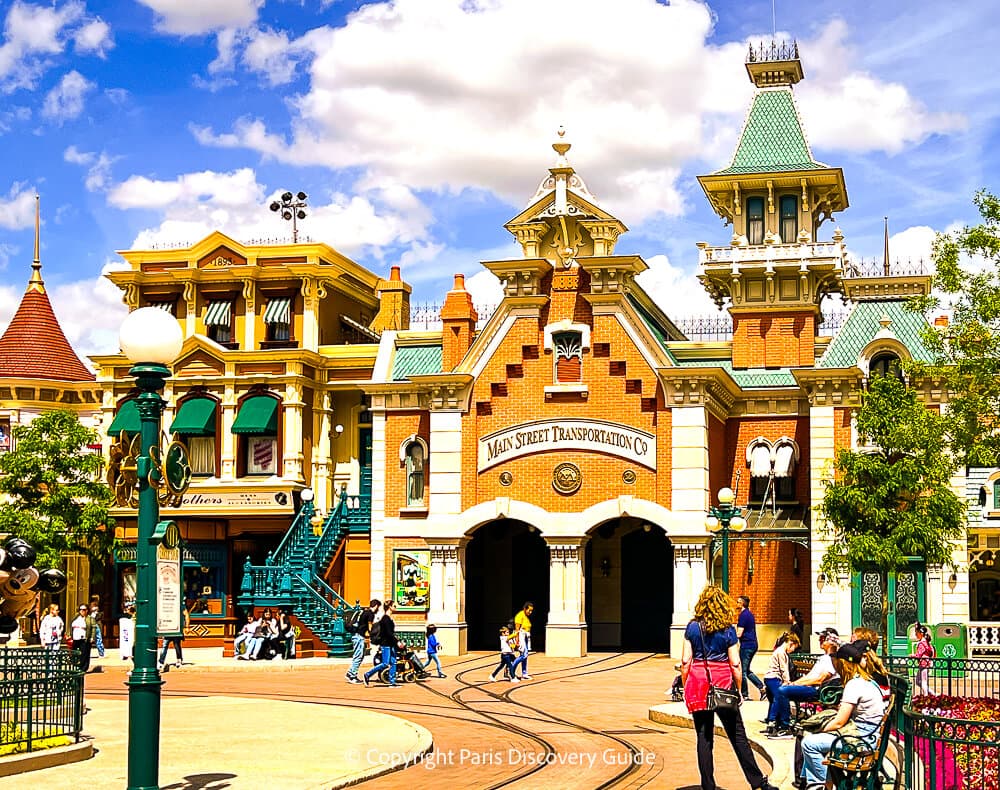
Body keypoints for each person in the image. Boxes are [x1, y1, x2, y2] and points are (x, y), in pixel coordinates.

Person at [681, 585, 777, 790]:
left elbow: (685, 661)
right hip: (723, 684)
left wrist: (685, 685)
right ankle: (757, 781)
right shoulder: (727, 630)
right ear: (722, 606)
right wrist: (739, 690)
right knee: (738, 736)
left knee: (704, 737)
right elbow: (735, 663)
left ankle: (708, 785)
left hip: (699, 684)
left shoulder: (692, 627)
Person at [799, 641, 887, 790]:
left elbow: (839, 722)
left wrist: (819, 729)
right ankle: (816, 783)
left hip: (861, 740)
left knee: (808, 743)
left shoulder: (854, 685)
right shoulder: (868, 681)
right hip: (869, 735)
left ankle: (819, 785)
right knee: (810, 738)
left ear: (844, 664)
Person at [768, 628, 841, 739]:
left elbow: (819, 680)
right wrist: (793, 684)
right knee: (782, 689)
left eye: (823, 638)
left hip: (819, 691)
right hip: (812, 688)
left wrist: (795, 685)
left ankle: (785, 727)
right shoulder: (823, 658)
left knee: (782, 691)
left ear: (830, 641)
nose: (819, 640)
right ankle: (778, 723)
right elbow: (809, 676)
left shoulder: (832, 659)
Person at [761, 632, 800, 733]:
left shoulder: (778, 651)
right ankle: (774, 721)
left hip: (769, 678)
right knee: (780, 698)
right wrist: (787, 681)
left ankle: (772, 720)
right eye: (793, 648)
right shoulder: (781, 652)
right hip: (774, 678)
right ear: (791, 643)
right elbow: (784, 669)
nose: (792, 651)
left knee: (773, 700)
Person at [364, 601, 400, 687]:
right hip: (385, 644)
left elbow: (391, 633)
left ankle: (392, 682)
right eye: (394, 605)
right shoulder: (385, 619)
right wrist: (397, 641)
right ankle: (368, 674)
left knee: (393, 662)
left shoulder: (389, 618)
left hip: (391, 644)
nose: (396, 607)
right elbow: (388, 633)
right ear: (390, 607)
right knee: (385, 663)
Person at [737, 595, 765, 700]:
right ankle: (762, 688)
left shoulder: (743, 615)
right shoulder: (749, 614)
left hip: (747, 645)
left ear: (743, 603)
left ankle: (745, 694)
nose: (737, 604)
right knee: (747, 670)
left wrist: (728, 638)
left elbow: (739, 633)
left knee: (742, 671)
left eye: (738, 602)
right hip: (752, 644)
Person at [347, 599, 380, 683]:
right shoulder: (370, 614)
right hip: (359, 636)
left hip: (356, 635)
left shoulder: (364, 612)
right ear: (376, 606)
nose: (378, 609)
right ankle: (352, 675)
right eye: (378, 607)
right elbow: (370, 627)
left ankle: (350, 672)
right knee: (358, 656)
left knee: (360, 656)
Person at [158, 605, 190, 669]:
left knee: (176, 645)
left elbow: (186, 615)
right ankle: (161, 661)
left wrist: (187, 626)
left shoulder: (181, 605)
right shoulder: (165, 604)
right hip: (168, 627)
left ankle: (179, 660)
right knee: (165, 645)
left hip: (176, 628)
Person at [513, 601, 534, 680]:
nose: (530, 612)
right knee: (524, 655)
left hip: (526, 637)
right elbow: (517, 630)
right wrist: (517, 641)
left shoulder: (526, 617)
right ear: (525, 609)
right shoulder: (520, 616)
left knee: (525, 656)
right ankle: (511, 669)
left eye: (531, 610)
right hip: (521, 636)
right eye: (529, 610)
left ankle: (524, 673)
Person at [913, 622, 936, 696]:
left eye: (916, 633)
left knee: (923, 681)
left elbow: (918, 655)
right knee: (918, 681)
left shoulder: (922, 643)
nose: (916, 635)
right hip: (925, 663)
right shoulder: (925, 642)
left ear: (921, 633)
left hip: (924, 663)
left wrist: (912, 656)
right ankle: (933, 694)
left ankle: (926, 697)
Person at [70, 604, 95, 672]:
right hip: (76, 638)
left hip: (84, 638)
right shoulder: (76, 617)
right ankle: (76, 665)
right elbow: (71, 625)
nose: (82, 611)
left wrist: (92, 637)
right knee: (75, 653)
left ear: (87, 610)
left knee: (84, 654)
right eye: (80, 609)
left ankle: (83, 668)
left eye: (84, 610)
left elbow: (93, 628)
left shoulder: (90, 618)